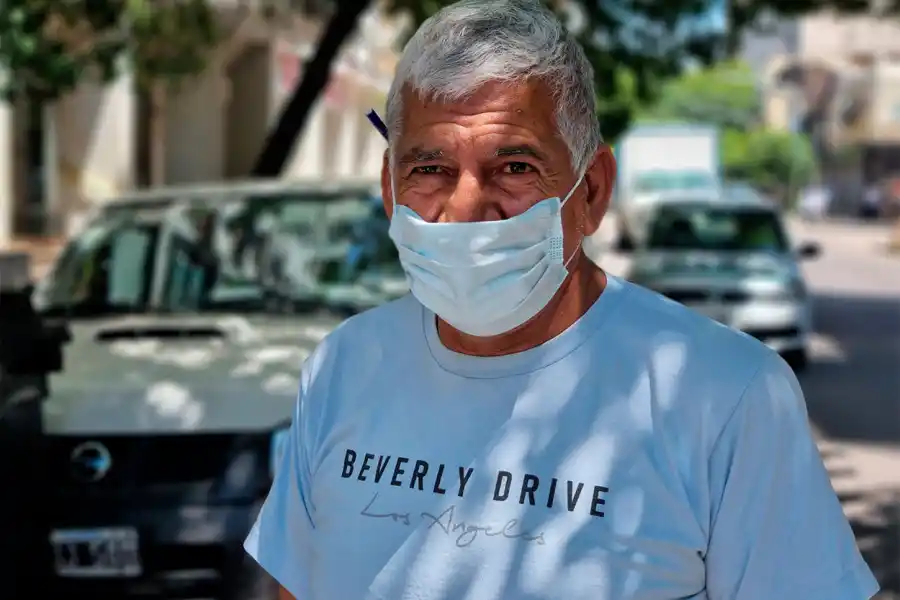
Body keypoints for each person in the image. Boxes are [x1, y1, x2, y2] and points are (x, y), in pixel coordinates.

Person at [245, 1, 879, 599]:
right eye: (429, 167)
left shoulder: (724, 396)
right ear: (389, 189)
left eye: (515, 166)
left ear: (593, 192)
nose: (465, 209)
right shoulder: (343, 369)